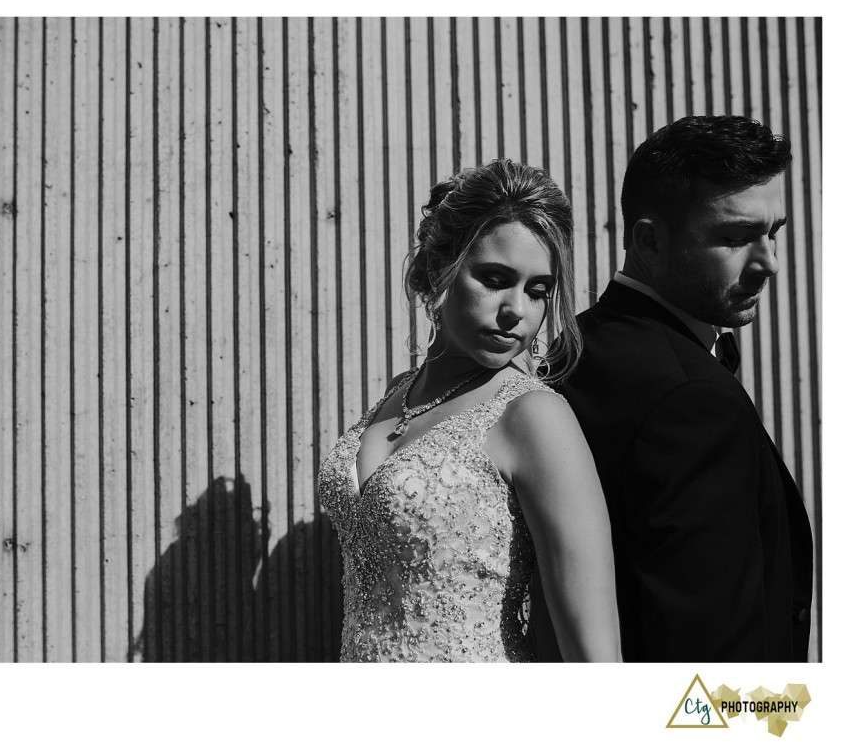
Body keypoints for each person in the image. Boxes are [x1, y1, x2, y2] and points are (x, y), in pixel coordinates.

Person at [317, 159, 621, 662]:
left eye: (537, 291)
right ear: (439, 268)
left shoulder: (534, 416)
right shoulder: (400, 392)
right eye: (495, 278)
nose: (516, 311)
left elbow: (596, 657)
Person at [557, 115, 814, 661]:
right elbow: (708, 649)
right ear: (649, 241)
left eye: (774, 233)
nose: (768, 262)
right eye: (735, 237)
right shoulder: (690, 399)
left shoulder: (574, 345)